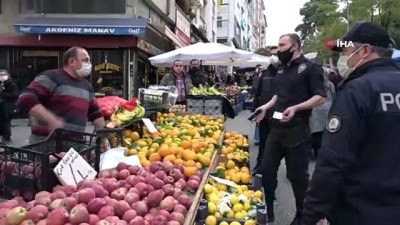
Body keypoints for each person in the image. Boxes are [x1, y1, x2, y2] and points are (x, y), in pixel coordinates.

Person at [301, 22, 400, 225]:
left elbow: (333, 161)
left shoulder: (357, 91)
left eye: (346, 51)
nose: (343, 58)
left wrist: (311, 213)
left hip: (360, 210)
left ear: (364, 50)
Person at [254, 33, 326, 224]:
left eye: (282, 45)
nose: (278, 49)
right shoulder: (281, 70)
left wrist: (296, 108)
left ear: (295, 46)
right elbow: (278, 95)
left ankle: (303, 215)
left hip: (298, 130)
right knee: (266, 171)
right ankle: (267, 207)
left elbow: (320, 97)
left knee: (297, 177)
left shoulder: (311, 69)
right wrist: (265, 107)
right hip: (276, 129)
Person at [18, 46, 106, 143]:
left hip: (75, 145)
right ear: (72, 62)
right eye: (85, 60)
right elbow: (26, 98)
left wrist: (107, 134)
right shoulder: (52, 77)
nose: (89, 64)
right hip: (46, 143)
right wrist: (51, 120)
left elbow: (95, 113)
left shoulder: (87, 86)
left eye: (89, 61)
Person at [252, 46, 279, 173]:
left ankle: (271, 168)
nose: (274, 57)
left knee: (276, 144)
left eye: (276, 54)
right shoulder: (266, 73)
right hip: (264, 114)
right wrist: (255, 110)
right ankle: (259, 165)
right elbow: (258, 93)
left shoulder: (285, 72)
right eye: (272, 54)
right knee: (263, 142)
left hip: (279, 115)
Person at [309, 68, 335, 159]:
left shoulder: (314, 84)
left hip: (316, 108)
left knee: (316, 131)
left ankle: (316, 150)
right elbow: (333, 95)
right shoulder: (330, 84)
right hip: (327, 108)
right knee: (325, 131)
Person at [0, 69, 19, 144]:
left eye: (4, 74)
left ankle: (7, 138)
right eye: (0, 75)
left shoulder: (11, 84)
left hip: (8, 106)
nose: (2, 76)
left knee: (5, 122)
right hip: (1, 106)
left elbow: (15, 95)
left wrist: (2, 94)